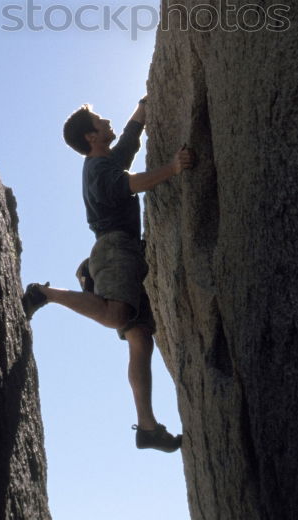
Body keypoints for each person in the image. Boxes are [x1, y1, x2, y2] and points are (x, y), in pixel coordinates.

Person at [22, 96, 194, 452]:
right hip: (114, 249)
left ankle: (147, 428)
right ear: (91, 137)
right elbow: (129, 184)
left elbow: (128, 144)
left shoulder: (106, 161)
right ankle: (44, 293)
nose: (107, 123)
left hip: (124, 252)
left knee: (141, 337)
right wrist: (173, 168)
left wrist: (142, 112)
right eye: (101, 122)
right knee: (117, 314)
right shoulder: (99, 170)